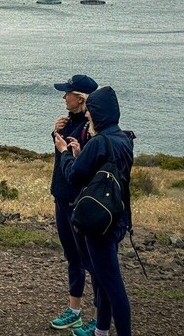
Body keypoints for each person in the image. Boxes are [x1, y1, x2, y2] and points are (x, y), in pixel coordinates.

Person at [54, 86, 134, 336]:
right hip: (117, 216)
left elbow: (74, 176)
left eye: (90, 112)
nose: (87, 116)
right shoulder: (123, 138)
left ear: (98, 113)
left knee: (111, 285)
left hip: (99, 222)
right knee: (105, 277)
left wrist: (66, 153)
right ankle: (101, 330)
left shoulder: (99, 142)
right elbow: (101, 174)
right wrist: (80, 154)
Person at [49, 74, 99, 330]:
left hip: (79, 202)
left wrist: (66, 147)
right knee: (72, 256)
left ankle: (100, 318)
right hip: (62, 196)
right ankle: (74, 309)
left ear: (79, 99)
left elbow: (81, 165)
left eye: (67, 93)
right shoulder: (68, 122)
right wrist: (55, 132)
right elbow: (61, 156)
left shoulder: (91, 129)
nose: (63, 97)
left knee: (91, 260)